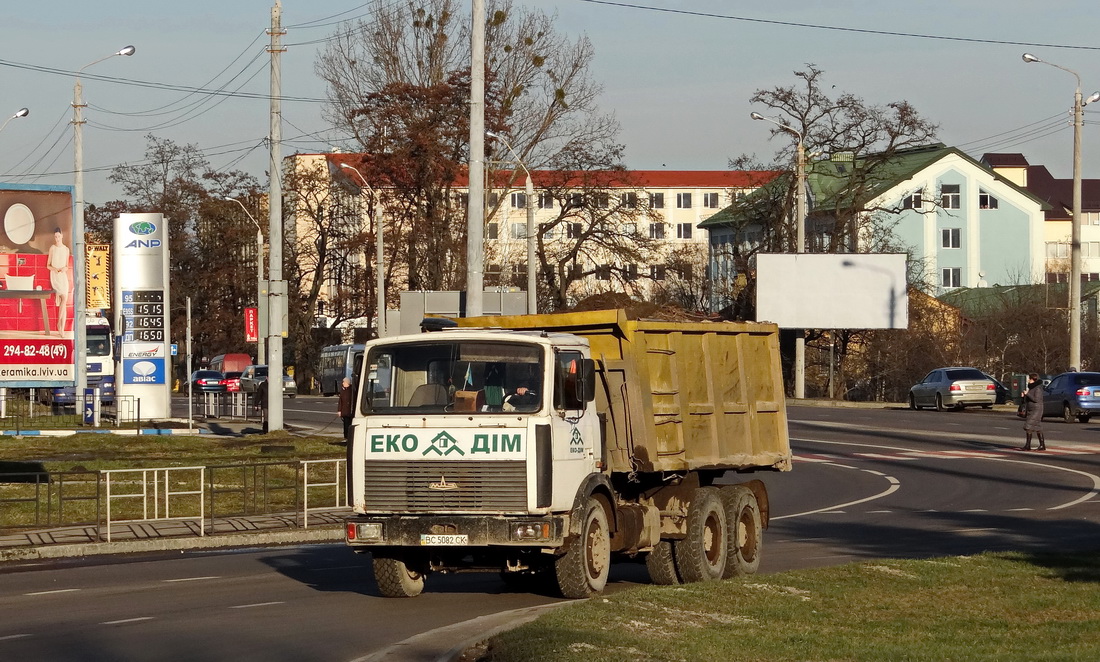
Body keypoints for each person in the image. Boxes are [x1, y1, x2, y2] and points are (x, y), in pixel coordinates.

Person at [46, 227, 71, 336]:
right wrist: (55, 269)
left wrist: (63, 269)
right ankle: (59, 326)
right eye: (55, 237)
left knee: (64, 300)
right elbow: (48, 265)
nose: (57, 239)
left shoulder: (66, 249)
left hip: (63, 276)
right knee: (62, 299)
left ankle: (61, 327)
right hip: (55, 276)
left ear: (62, 236)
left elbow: (67, 266)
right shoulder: (52, 248)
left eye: (58, 237)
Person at [1019, 373, 1045, 451]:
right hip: (1031, 409)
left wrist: (1028, 394)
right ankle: (1042, 445)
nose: (1028, 380)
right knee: (1037, 427)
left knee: (1028, 426)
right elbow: (1028, 400)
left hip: (1037, 409)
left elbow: (1036, 399)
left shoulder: (1038, 388)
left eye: (1029, 379)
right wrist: (1024, 396)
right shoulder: (1032, 388)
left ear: (1033, 379)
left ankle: (1028, 445)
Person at [338, 377, 356, 443]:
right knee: (345, 425)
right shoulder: (343, 391)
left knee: (349, 425)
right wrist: (339, 410)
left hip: (350, 412)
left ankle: (350, 438)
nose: (342, 383)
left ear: (347, 383)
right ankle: (346, 437)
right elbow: (340, 401)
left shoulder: (351, 390)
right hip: (344, 412)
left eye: (343, 382)